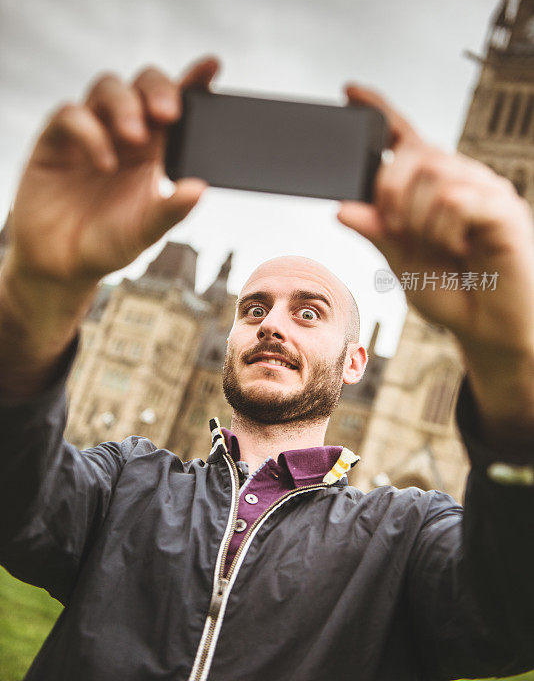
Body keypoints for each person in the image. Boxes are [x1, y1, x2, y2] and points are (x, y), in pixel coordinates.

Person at [0, 56, 533, 681]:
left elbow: (505, 617)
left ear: (356, 361)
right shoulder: (124, 484)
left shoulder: (406, 533)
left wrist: (512, 369)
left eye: (309, 313)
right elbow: (17, 492)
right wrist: (36, 296)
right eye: (254, 309)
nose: (272, 324)